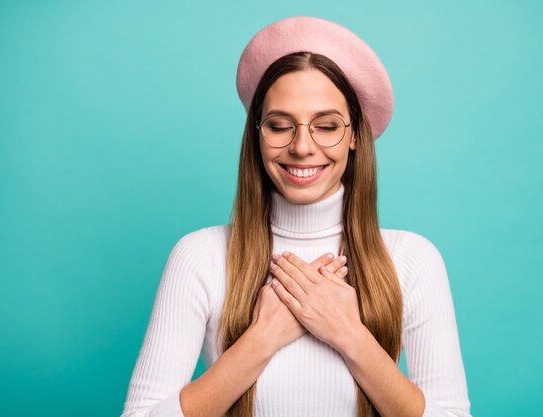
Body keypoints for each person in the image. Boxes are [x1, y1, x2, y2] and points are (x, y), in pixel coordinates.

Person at [120, 16, 472, 417]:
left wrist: (349, 334)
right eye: (280, 125)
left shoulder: (413, 260)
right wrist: (261, 339)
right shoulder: (199, 256)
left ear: (356, 134)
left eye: (326, 126)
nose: (302, 147)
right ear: (257, 134)